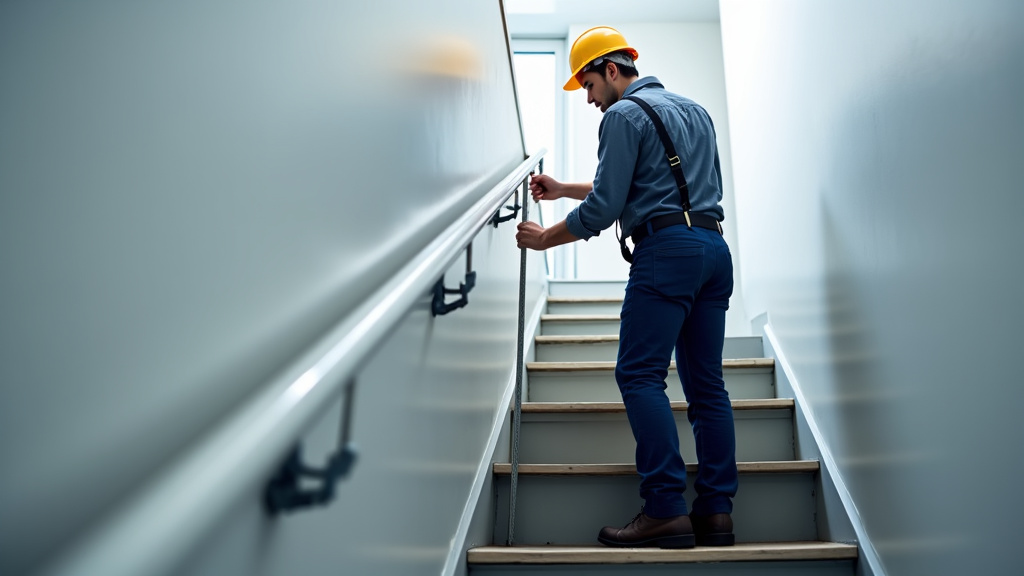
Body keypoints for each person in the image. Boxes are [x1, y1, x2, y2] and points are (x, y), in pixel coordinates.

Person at [516, 26, 737, 549]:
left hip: (666, 254)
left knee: (639, 375)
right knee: (708, 386)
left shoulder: (622, 115)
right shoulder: (695, 110)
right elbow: (659, 180)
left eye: (589, 84)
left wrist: (545, 237)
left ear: (612, 70)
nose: (590, 99)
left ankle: (664, 508)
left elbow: (606, 207)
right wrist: (565, 186)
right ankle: (716, 513)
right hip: (713, 250)